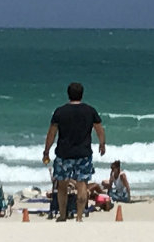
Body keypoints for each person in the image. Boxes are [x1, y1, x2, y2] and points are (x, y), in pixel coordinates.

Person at [42, 82, 106, 222]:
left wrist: (46, 151)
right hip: (83, 153)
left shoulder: (60, 111)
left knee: (62, 186)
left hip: (64, 154)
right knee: (82, 184)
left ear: (68, 94)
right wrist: (102, 144)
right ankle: (79, 217)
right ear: (82, 94)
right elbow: (99, 129)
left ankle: (63, 215)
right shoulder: (90, 111)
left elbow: (51, 133)